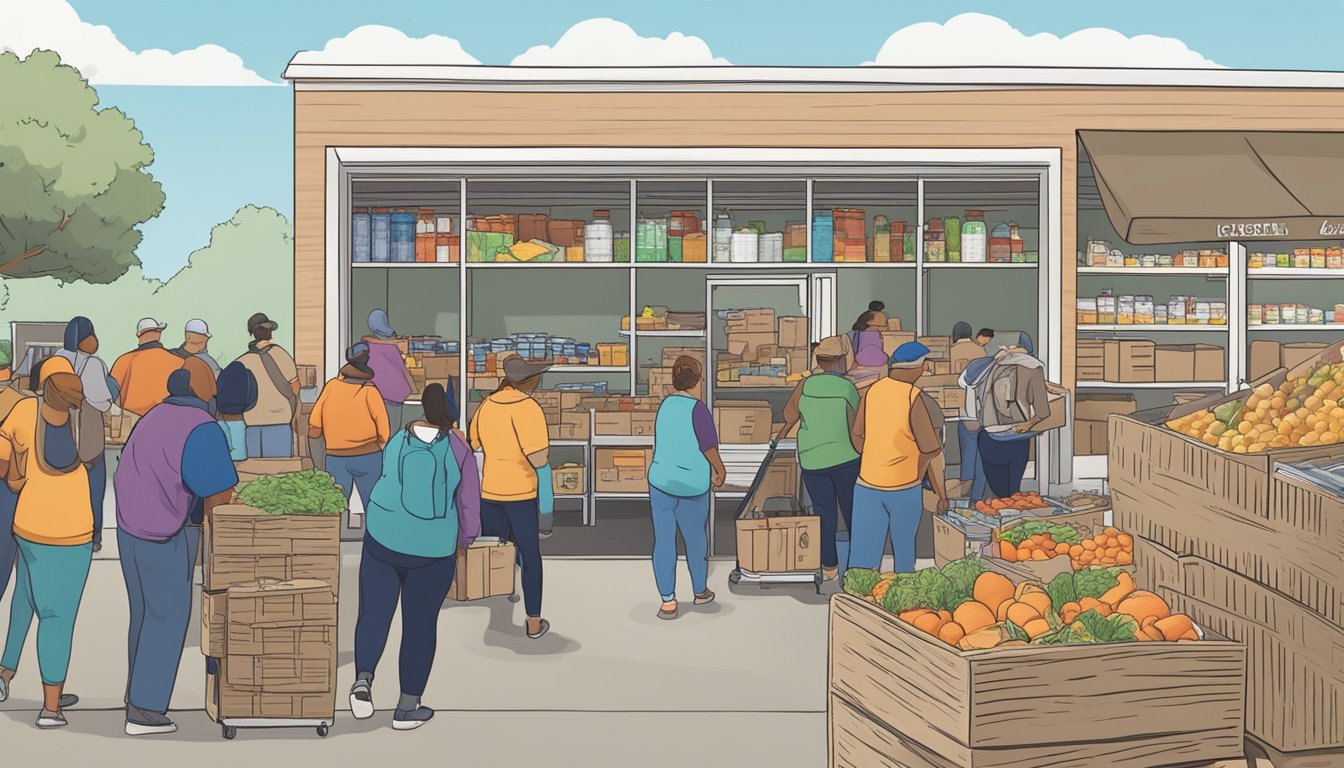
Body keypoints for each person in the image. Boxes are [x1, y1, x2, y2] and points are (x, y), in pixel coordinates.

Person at [114, 369, 237, 735]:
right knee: (167, 619)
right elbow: (218, 492)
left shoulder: (153, 415)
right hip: (166, 532)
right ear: (205, 391)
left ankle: (135, 696)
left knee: (144, 616)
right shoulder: (200, 426)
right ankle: (146, 711)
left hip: (129, 528)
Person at [351, 382, 478, 731]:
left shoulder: (398, 438)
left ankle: (363, 682)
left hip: (383, 539)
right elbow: (468, 501)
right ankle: (407, 708)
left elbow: (383, 481)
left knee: (374, 615)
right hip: (433, 549)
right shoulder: (458, 448)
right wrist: (466, 538)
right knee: (420, 626)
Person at [0, 371, 92, 728]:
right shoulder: (88, 422)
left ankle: (5, 673)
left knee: (25, 600)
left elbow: (8, 466)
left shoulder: (24, 410)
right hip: (70, 533)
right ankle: (51, 707)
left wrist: (16, 473)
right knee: (57, 616)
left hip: (27, 526)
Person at [469, 354, 551, 640]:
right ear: (530, 380)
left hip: (490, 491)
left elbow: (474, 441)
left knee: (499, 551)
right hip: (520, 492)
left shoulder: (487, 405)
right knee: (530, 556)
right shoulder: (529, 408)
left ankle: (498, 607)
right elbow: (539, 457)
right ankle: (533, 620)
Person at [848, 342, 948, 574]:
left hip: (867, 485)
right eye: (923, 366)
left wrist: (874, 456)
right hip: (904, 488)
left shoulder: (872, 391)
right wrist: (939, 492)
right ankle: (901, 606)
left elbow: (856, 434)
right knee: (903, 556)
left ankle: (855, 603)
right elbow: (931, 451)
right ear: (915, 368)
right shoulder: (914, 397)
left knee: (863, 560)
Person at [647, 356, 723, 620]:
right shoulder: (698, 408)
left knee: (664, 541)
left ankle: (668, 601)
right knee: (695, 539)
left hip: (661, 482)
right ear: (698, 381)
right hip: (691, 485)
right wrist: (720, 470)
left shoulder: (665, 405)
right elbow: (708, 447)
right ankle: (700, 592)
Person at [783, 336, 861, 589]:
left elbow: (788, 414)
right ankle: (855, 572)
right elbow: (857, 426)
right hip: (846, 458)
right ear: (840, 360)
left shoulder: (805, 385)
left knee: (823, 515)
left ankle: (829, 571)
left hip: (813, 459)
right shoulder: (848, 388)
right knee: (852, 513)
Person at [55, 317, 116, 552]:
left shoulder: (57, 358)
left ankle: (64, 533)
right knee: (93, 486)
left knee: (63, 486)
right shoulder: (93, 364)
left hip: (61, 430)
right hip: (88, 435)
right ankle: (94, 537)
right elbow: (102, 402)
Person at [310, 343, 390, 518]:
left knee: (335, 506)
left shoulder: (331, 387)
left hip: (336, 457)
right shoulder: (370, 391)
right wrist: (380, 446)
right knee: (373, 505)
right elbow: (384, 429)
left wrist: (318, 456)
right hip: (368, 455)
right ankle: (372, 540)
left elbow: (314, 425)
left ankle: (334, 539)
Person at [970, 333, 1052, 498]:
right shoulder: (1033, 367)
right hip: (1017, 437)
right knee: (1012, 493)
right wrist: (1029, 424)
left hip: (989, 437)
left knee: (996, 492)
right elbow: (1043, 411)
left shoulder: (991, 364)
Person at [236, 312, 299, 458]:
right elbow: (295, 387)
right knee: (280, 473)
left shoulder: (242, 361)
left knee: (256, 475)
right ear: (270, 331)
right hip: (279, 419)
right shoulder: (281, 354)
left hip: (251, 421)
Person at [109, 318, 183, 417]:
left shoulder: (124, 360)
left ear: (139, 335)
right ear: (158, 334)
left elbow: (112, 393)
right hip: (167, 416)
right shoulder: (178, 361)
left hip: (133, 419)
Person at [949, 321, 989, 502]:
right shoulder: (980, 351)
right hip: (982, 410)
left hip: (963, 410)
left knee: (968, 453)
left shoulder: (951, 352)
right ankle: (977, 496)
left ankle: (963, 495)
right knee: (981, 455)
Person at [363, 309, 415, 433]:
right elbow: (402, 370)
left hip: (375, 395)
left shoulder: (367, 346)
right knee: (392, 430)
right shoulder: (391, 348)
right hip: (393, 396)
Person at [171, 321, 219, 413]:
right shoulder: (204, 360)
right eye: (200, 342)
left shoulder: (171, 355)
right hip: (202, 409)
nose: (204, 344)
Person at [842, 301, 891, 392]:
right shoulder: (872, 335)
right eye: (882, 326)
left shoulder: (854, 335)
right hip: (871, 373)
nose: (884, 328)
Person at [215, 362, 258, 462]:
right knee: (240, 457)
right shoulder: (248, 376)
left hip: (223, 417)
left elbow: (217, 392)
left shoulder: (223, 376)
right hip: (239, 418)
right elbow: (253, 395)